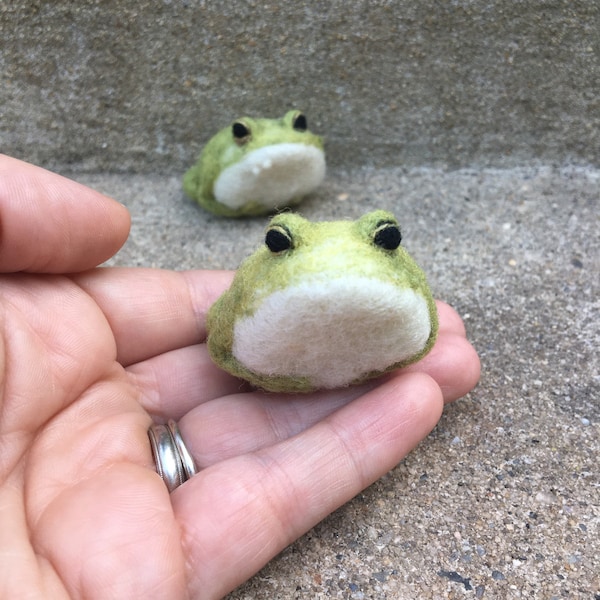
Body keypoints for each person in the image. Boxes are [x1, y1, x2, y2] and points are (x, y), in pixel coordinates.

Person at [0, 153, 480, 599]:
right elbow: (223, 336)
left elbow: (420, 335)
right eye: (278, 242)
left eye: (387, 239)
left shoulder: (404, 306)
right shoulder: (245, 302)